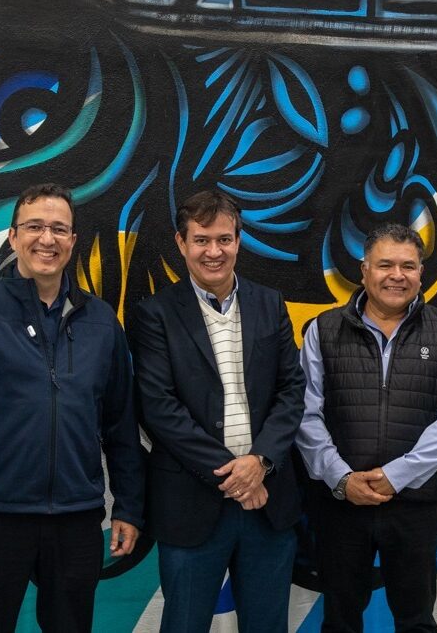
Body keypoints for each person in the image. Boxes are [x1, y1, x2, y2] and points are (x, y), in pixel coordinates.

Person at [0, 183, 145, 632]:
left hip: (76, 519)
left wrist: (128, 508)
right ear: (13, 236)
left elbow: (121, 426)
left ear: (73, 240)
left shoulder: (102, 322)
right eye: (35, 227)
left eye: (59, 229)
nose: (47, 239)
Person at [128, 190, 305, 633]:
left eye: (224, 239)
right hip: (191, 505)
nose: (214, 251)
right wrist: (236, 476)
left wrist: (260, 462)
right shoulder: (154, 314)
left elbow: (291, 390)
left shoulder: (270, 303)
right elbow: (159, 408)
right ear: (181, 242)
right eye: (202, 240)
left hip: (267, 501)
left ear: (238, 241)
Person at [296, 223, 437, 633]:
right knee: (340, 621)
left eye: (408, 266)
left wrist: (397, 475)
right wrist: (341, 479)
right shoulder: (324, 330)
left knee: (416, 621)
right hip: (342, 505)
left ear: (420, 273)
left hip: (414, 506)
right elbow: (306, 414)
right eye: (385, 265)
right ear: (364, 271)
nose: (397, 275)